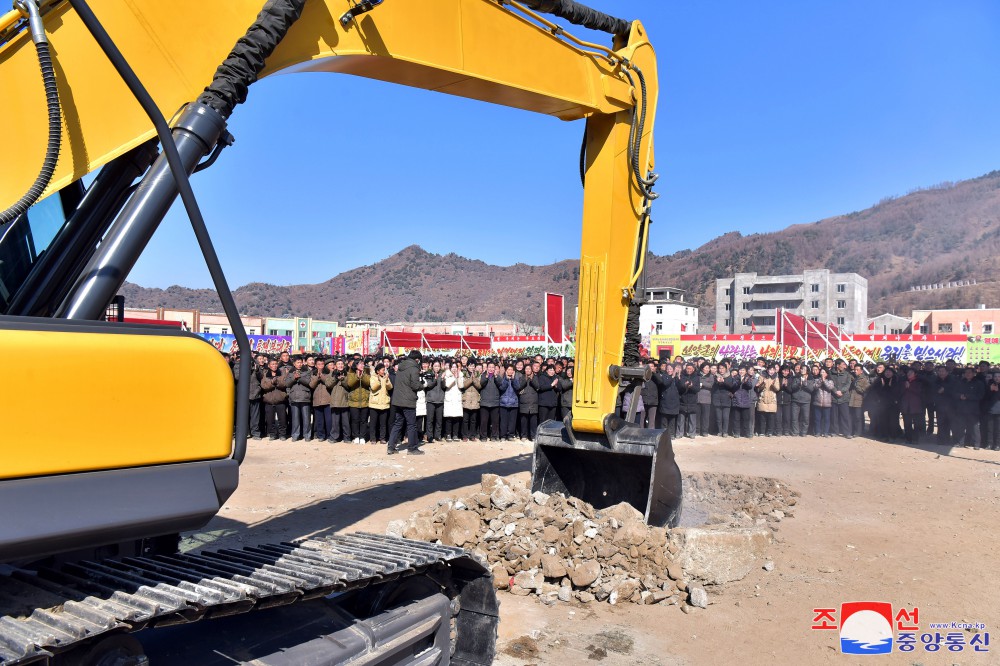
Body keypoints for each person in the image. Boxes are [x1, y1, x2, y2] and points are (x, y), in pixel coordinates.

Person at [386, 350, 427, 455]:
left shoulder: (401, 366)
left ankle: (391, 447)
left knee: (398, 423)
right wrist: (423, 385)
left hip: (398, 400)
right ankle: (412, 448)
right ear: (417, 359)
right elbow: (415, 385)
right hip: (408, 400)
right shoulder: (413, 368)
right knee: (412, 425)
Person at [954, 366, 985, 449]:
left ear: (974, 374)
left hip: (973, 409)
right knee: (960, 426)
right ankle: (960, 442)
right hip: (961, 408)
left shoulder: (979, 383)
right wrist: (959, 396)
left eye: (969, 372)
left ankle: (976, 444)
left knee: (974, 427)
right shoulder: (960, 382)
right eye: (966, 373)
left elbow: (980, 396)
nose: (967, 374)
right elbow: (954, 393)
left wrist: (967, 396)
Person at [260, 357, 290, 440]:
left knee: (282, 419)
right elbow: (264, 386)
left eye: (276, 364)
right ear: (269, 365)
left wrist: (277, 382)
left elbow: (285, 384)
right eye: (272, 364)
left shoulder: (282, 373)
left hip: (280, 401)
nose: (274, 365)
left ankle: (282, 434)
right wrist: (271, 383)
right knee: (270, 420)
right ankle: (272, 434)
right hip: (269, 401)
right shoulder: (265, 374)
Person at [286, 355, 314, 442]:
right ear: (294, 364)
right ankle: (295, 435)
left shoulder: (307, 372)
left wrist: (300, 378)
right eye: (298, 362)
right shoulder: (290, 373)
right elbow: (287, 384)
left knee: (306, 418)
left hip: (305, 397)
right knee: (295, 418)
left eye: (301, 362)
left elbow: (308, 382)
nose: (299, 364)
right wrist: (294, 378)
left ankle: (307, 435)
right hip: (294, 397)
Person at [309, 357, 335, 442]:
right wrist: (317, 377)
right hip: (317, 400)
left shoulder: (329, 373)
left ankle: (329, 435)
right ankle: (320, 435)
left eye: (322, 364)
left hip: (327, 399)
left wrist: (322, 376)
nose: (320, 366)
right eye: (319, 364)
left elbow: (330, 384)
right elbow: (311, 385)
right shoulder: (313, 374)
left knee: (328, 420)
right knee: (319, 420)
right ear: (316, 365)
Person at [368, 362, 392, 445]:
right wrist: (379, 380)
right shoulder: (373, 377)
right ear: (378, 371)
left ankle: (382, 438)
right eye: (382, 370)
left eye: (384, 370)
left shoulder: (385, 377)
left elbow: (390, 387)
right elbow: (374, 387)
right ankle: (373, 438)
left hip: (384, 403)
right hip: (374, 403)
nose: (384, 371)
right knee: (373, 423)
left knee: (383, 423)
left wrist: (387, 380)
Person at [899, 368, 925, 444]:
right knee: (907, 424)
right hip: (905, 406)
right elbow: (899, 392)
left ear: (915, 374)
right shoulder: (903, 381)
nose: (909, 374)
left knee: (916, 424)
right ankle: (908, 438)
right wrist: (905, 387)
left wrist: (909, 387)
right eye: (908, 372)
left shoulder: (919, 382)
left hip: (915, 406)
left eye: (911, 372)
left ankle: (915, 439)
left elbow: (920, 392)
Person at [328, 358, 350, 443]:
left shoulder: (347, 374)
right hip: (335, 401)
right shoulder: (332, 374)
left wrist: (343, 380)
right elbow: (328, 384)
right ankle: (334, 437)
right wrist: (336, 378)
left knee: (346, 422)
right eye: (338, 364)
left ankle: (347, 437)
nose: (340, 365)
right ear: (335, 366)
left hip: (345, 400)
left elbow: (349, 385)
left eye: (342, 364)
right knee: (335, 422)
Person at [516, 363, 539, 442]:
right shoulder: (521, 377)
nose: (528, 370)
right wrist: (525, 380)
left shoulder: (535, 377)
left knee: (533, 421)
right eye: (526, 369)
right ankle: (524, 435)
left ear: (532, 370)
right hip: (524, 402)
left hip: (533, 402)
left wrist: (532, 379)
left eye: (529, 369)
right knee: (523, 421)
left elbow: (538, 387)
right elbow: (519, 387)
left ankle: (533, 436)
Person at [479, 361, 502, 441]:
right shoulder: (483, 375)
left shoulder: (498, 376)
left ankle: (494, 436)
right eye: (490, 367)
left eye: (493, 367)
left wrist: (496, 377)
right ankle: (483, 436)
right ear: (487, 368)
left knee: (495, 422)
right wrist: (486, 377)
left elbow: (500, 385)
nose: (491, 369)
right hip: (484, 402)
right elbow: (481, 384)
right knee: (484, 421)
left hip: (495, 402)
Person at [829, 359, 852, 437]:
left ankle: (847, 432)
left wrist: (841, 391)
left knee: (845, 416)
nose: (844, 366)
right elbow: (830, 384)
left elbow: (848, 384)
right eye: (842, 364)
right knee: (834, 416)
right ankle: (834, 431)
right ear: (838, 365)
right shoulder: (831, 373)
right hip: (834, 398)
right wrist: (835, 391)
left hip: (844, 398)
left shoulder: (847, 374)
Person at [677, 363, 701, 438]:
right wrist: (684, 385)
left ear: (693, 369)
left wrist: (691, 386)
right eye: (687, 368)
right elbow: (679, 387)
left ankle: (692, 433)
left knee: (692, 418)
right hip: (683, 399)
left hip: (692, 400)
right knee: (681, 418)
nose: (689, 370)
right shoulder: (682, 376)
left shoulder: (697, 377)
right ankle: (680, 433)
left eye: (690, 369)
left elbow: (697, 389)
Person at [424, 360, 445, 444]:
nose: (437, 367)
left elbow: (444, 387)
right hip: (430, 400)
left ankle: (438, 435)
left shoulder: (442, 374)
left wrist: (443, 379)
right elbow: (429, 385)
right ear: (432, 366)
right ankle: (429, 436)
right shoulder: (429, 374)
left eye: (438, 366)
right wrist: (435, 380)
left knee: (439, 420)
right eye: (435, 366)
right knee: (430, 419)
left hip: (440, 400)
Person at [711, 364, 735, 437]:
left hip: (726, 399)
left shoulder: (729, 376)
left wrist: (723, 381)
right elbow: (712, 387)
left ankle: (725, 432)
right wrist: (717, 382)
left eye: (723, 368)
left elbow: (731, 386)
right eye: (720, 368)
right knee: (718, 417)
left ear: (726, 369)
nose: (721, 370)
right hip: (717, 399)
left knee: (726, 417)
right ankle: (719, 431)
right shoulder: (715, 376)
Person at [442, 362, 464, 441]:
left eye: (456, 367)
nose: (454, 369)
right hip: (449, 398)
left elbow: (461, 386)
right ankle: (448, 434)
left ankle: (455, 434)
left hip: (457, 398)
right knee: (449, 418)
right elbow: (447, 385)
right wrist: (453, 377)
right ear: (450, 368)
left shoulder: (461, 375)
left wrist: (458, 378)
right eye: (453, 367)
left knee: (456, 418)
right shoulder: (447, 375)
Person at [847, 364, 869, 439]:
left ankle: (858, 432)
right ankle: (851, 431)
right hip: (851, 400)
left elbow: (864, 390)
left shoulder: (864, 379)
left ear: (861, 371)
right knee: (851, 417)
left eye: (857, 370)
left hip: (859, 401)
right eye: (854, 369)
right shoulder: (853, 377)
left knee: (858, 417)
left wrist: (856, 385)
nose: (855, 371)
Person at [756, 365, 779, 436]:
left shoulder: (776, 378)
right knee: (762, 417)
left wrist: (773, 385)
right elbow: (759, 388)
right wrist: (763, 383)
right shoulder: (762, 376)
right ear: (767, 370)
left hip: (772, 399)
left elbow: (777, 389)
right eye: (770, 370)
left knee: (771, 418)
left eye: (773, 370)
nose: (771, 371)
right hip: (763, 398)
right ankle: (762, 431)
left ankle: (769, 432)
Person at [812, 367, 834, 438]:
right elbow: (815, 387)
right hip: (818, 402)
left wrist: (824, 380)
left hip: (827, 403)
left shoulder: (830, 381)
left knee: (827, 419)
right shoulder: (816, 380)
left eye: (824, 372)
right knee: (817, 419)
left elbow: (830, 387)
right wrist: (821, 380)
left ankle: (825, 432)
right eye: (821, 372)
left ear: (827, 374)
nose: (822, 373)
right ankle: (818, 432)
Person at [461, 363, 481, 441]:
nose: (471, 367)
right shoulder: (463, 375)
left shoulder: (478, 375)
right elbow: (463, 385)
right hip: (466, 399)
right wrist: (471, 379)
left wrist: (474, 379)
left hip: (475, 400)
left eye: (473, 366)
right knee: (465, 420)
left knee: (473, 420)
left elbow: (479, 386)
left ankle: (472, 435)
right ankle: (465, 435)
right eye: (470, 366)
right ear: (467, 366)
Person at [696, 363, 715, 436]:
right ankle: (697, 431)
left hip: (706, 399)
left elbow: (710, 385)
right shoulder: (697, 375)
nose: (707, 369)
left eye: (708, 368)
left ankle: (704, 431)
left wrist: (702, 384)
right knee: (697, 416)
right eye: (705, 368)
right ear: (702, 368)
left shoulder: (711, 376)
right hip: (698, 398)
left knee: (705, 417)